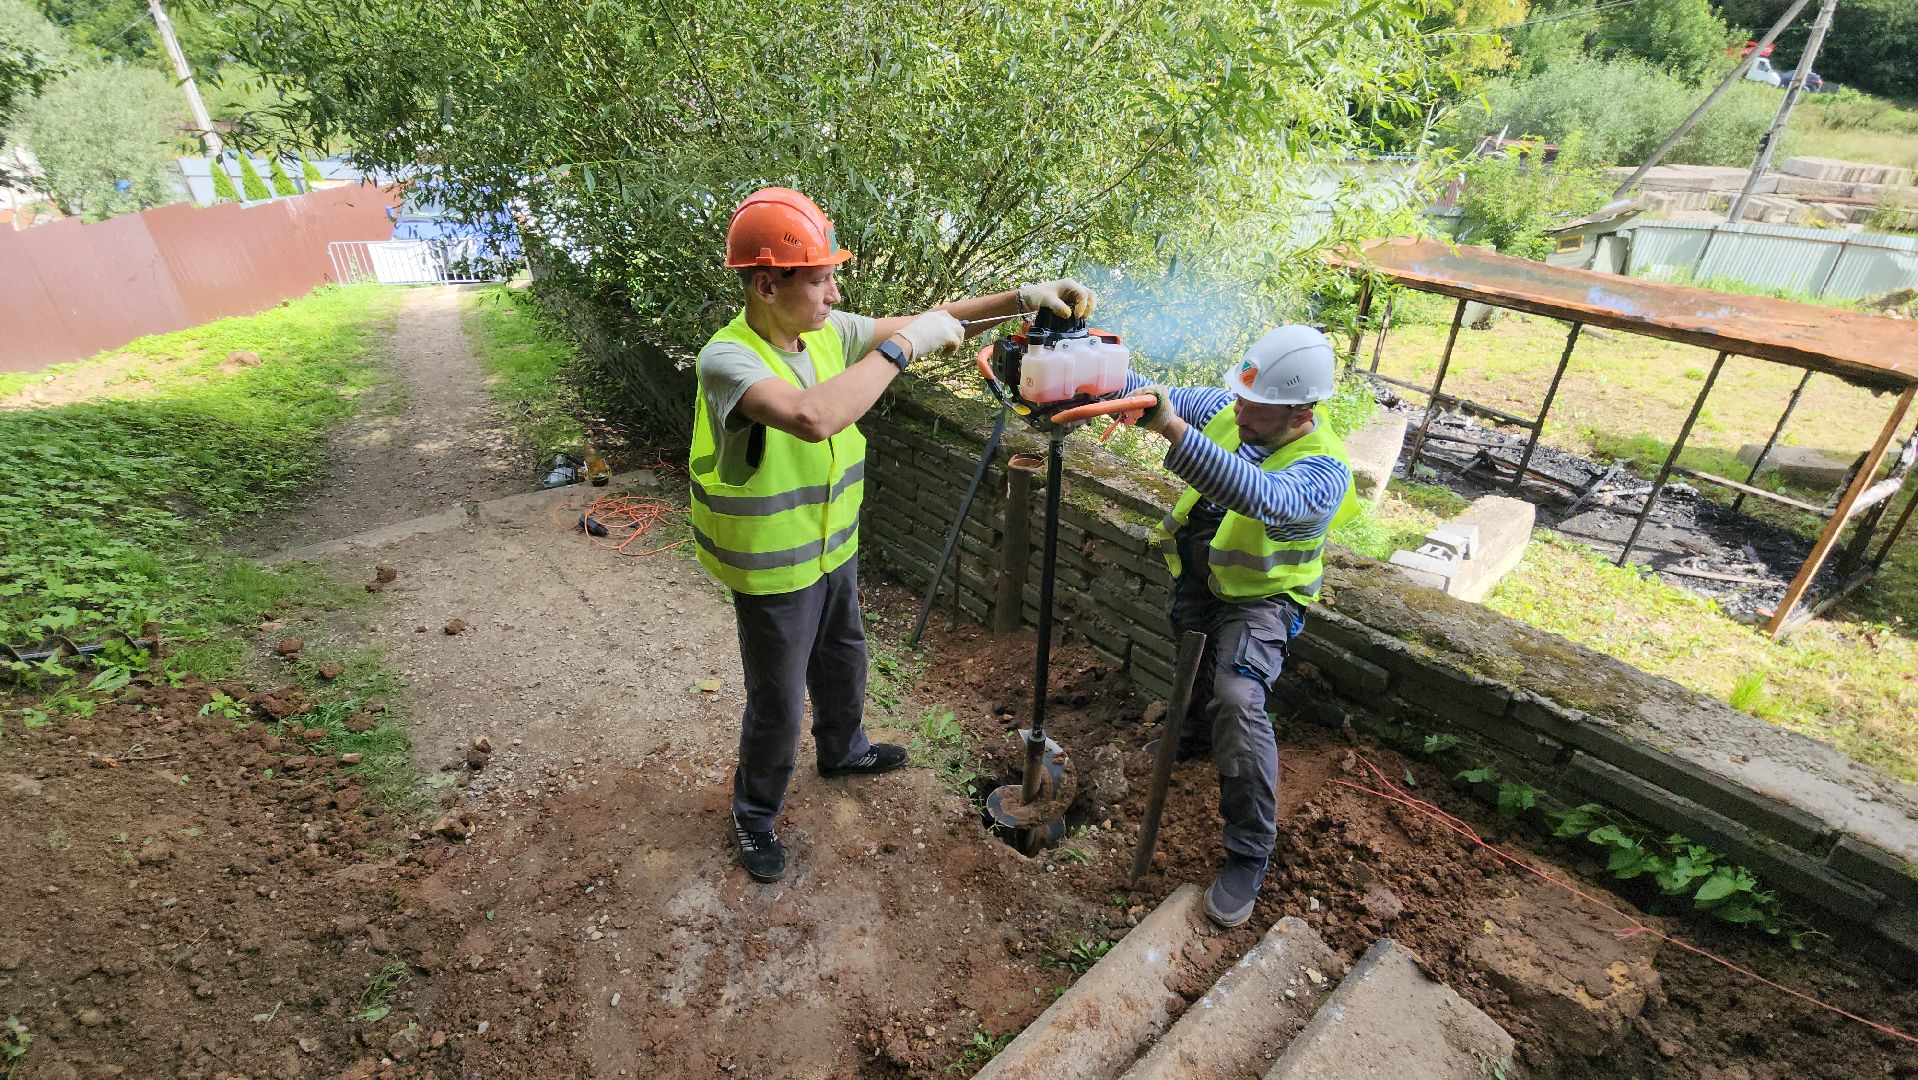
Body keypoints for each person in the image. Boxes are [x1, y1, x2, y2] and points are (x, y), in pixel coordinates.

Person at [690, 186, 1096, 882]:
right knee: (779, 701)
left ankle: (844, 748)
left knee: (844, 656)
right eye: (820, 280)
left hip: (831, 545)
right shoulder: (728, 359)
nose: (834, 292)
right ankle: (755, 814)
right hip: (773, 568)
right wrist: (902, 350)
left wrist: (1022, 299)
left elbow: (932, 320)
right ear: (765, 284)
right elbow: (813, 416)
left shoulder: (824, 332)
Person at [1127, 326, 1360, 928]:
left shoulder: (1323, 470)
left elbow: (1261, 497)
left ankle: (1249, 852)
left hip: (1263, 600)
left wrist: (1172, 431)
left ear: (1301, 410)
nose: (1237, 408)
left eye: (1254, 405)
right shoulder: (1237, 410)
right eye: (1238, 395)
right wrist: (1072, 375)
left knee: (1236, 696)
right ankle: (1197, 745)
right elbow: (1150, 392)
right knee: (1196, 670)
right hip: (1203, 581)